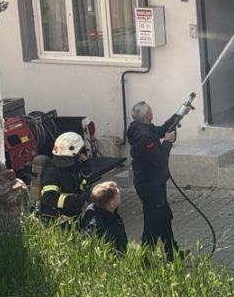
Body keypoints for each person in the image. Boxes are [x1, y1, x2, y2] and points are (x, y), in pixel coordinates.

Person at [127, 99, 191, 261]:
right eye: (150, 110)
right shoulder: (144, 138)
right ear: (147, 115)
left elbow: (162, 130)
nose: (151, 112)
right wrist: (168, 143)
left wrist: (180, 113)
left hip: (155, 183)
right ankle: (146, 259)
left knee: (164, 217)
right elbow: (159, 159)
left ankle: (172, 252)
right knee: (153, 222)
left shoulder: (141, 127)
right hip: (150, 186)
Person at [39, 132, 91, 225]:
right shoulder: (53, 172)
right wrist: (77, 200)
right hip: (58, 222)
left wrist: (86, 166)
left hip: (73, 216)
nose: (80, 153)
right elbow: (49, 198)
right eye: (79, 151)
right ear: (72, 151)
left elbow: (83, 180)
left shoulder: (72, 165)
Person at [80, 181, 128, 255]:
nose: (119, 192)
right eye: (117, 193)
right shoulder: (99, 227)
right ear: (112, 204)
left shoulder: (106, 212)